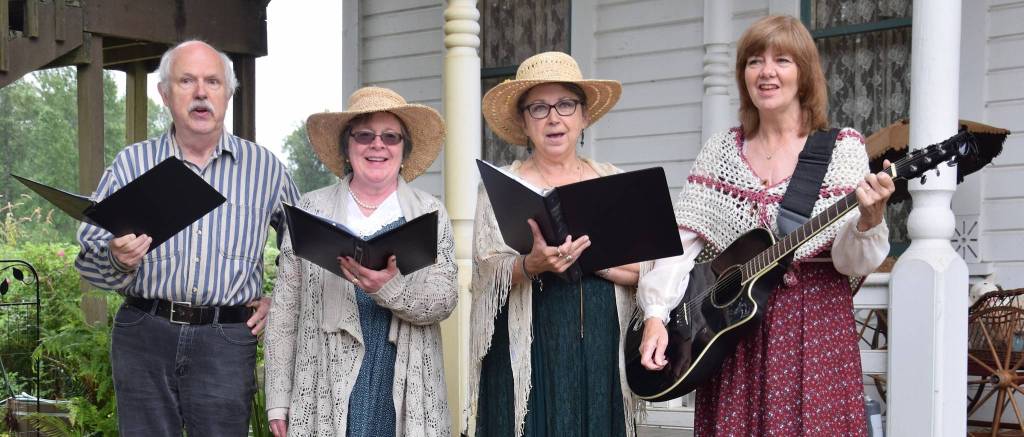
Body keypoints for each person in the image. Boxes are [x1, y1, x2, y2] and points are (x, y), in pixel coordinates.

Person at [636, 15, 895, 436]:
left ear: (805, 74)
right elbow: (678, 245)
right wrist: (655, 314)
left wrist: (871, 218)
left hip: (815, 327)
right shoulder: (721, 151)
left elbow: (852, 261)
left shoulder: (841, 148)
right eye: (754, 61)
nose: (767, 71)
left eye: (783, 60)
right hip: (731, 333)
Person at [75, 40, 300, 435]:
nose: (201, 92)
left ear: (228, 92)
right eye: (187, 81)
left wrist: (278, 299)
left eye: (213, 81)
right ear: (164, 93)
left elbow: (303, 246)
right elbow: (90, 250)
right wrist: (116, 259)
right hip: (145, 333)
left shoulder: (264, 168)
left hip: (226, 340)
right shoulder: (133, 163)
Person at [466, 51, 643, 437]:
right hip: (529, 345)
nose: (553, 118)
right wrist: (532, 264)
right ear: (523, 123)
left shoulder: (613, 182)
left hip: (600, 345)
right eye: (539, 108)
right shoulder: (499, 189)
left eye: (565, 105)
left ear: (583, 116)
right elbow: (484, 271)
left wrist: (602, 264)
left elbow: (649, 269)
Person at [263, 86, 458, 437]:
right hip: (324, 378)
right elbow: (284, 313)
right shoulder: (311, 210)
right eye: (364, 135)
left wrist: (391, 289)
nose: (377, 145)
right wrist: (278, 397)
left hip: (401, 377)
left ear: (404, 148)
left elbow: (444, 299)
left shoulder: (430, 212)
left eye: (390, 137)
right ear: (347, 147)